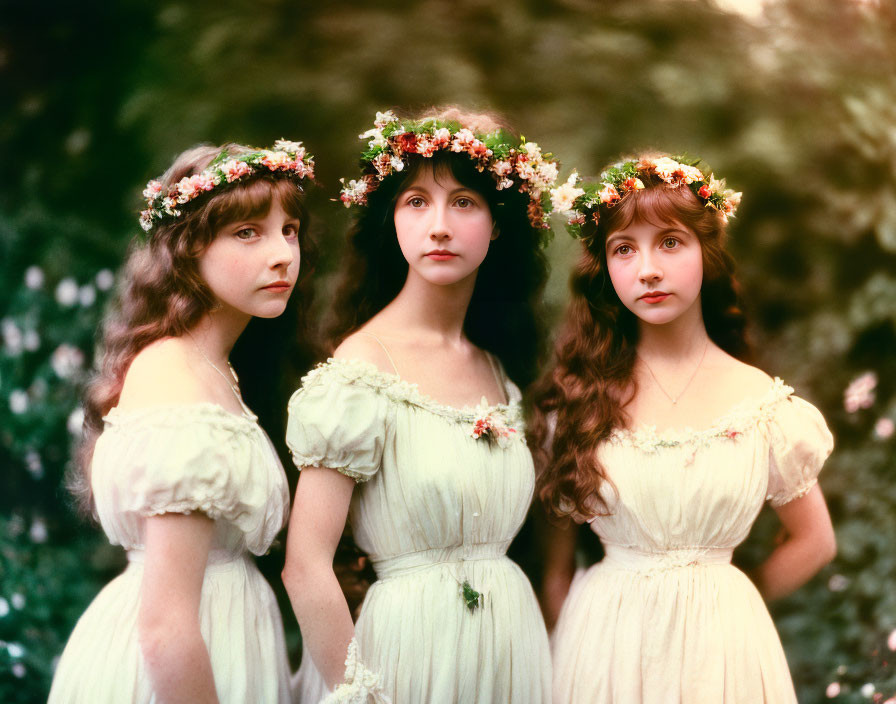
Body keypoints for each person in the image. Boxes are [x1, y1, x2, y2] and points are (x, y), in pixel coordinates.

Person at [535, 156, 836, 703]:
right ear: (606, 269)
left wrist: (728, 601)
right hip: (604, 646)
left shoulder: (761, 403)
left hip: (723, 651)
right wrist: (572, 651)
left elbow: (815, 540)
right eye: (624, 249)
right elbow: (555, 572)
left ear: (708, 254)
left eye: (670, 242)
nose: (647, 268)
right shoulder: (579, 400)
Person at [282, 108, 557, 703]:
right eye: (416, 202)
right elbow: (305, 566)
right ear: (393, 221)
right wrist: (358, 693)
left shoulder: (499, 367)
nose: (439, 226)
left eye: (464, 202)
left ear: (498, 223)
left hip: (509, 650)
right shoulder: (361, 371)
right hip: (406, 656)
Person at [48, 140, 316, 704]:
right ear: (190, 248)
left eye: (289, 229)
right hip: (184, 659)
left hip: (223, 640)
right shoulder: (178, 379)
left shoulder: (211, 368)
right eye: (248, 232)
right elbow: (167, 625)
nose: (282, 254)